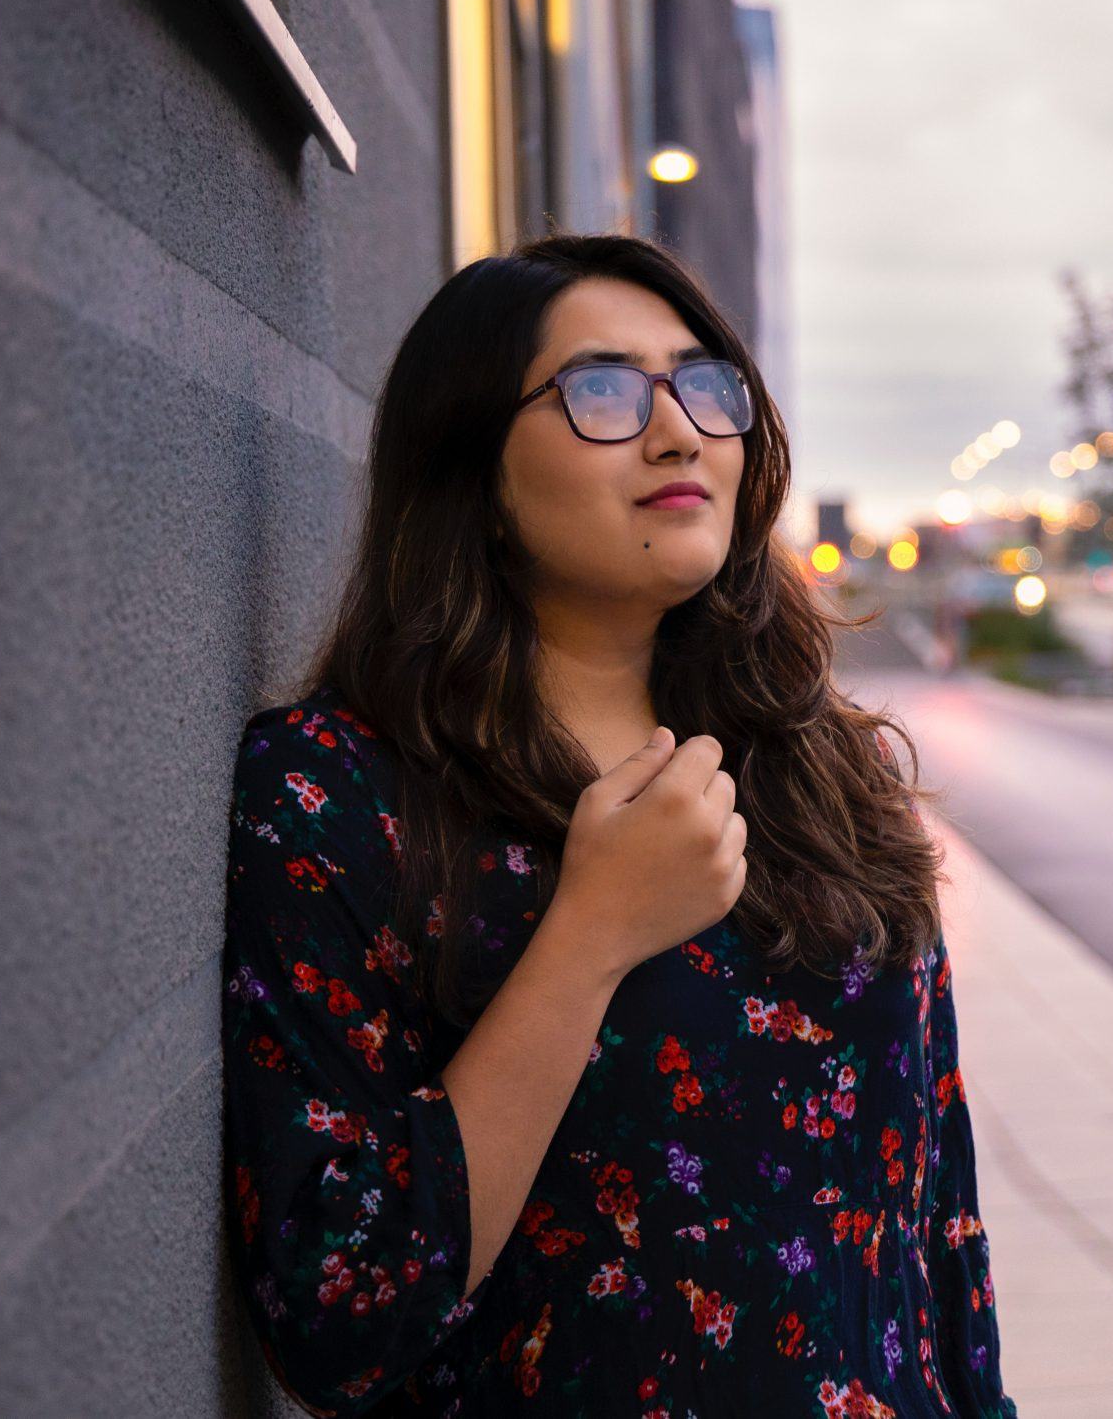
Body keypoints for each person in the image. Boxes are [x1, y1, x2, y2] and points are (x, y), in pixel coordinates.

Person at [220, 233, 1020, 1417]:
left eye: (705, 385)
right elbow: (338, 1321)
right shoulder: (341, 794)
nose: (678, 429)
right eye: (601, 390)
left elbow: (934, 1216)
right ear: (471, 466)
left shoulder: (819, 770)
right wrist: (589, 935)